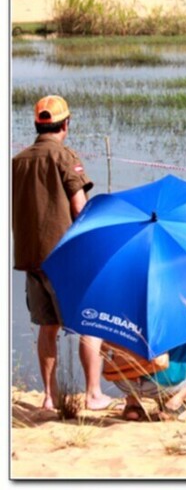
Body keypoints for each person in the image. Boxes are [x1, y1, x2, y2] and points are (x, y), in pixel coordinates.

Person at [12, 95, 115, 411]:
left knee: (48, 326)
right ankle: (94, 393)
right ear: (66, 124)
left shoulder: (18, 161)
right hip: (65, 258)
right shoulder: (65, 157)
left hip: (31, 258)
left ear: (37, 124)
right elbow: (79, 207)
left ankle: (49, 395)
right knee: (90, 321)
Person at [114, 335, 186, 422]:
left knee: (121, 334)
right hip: (162, 384)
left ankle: (133, 405)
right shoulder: (179, 310)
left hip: (124, 382)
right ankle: (175, 403)